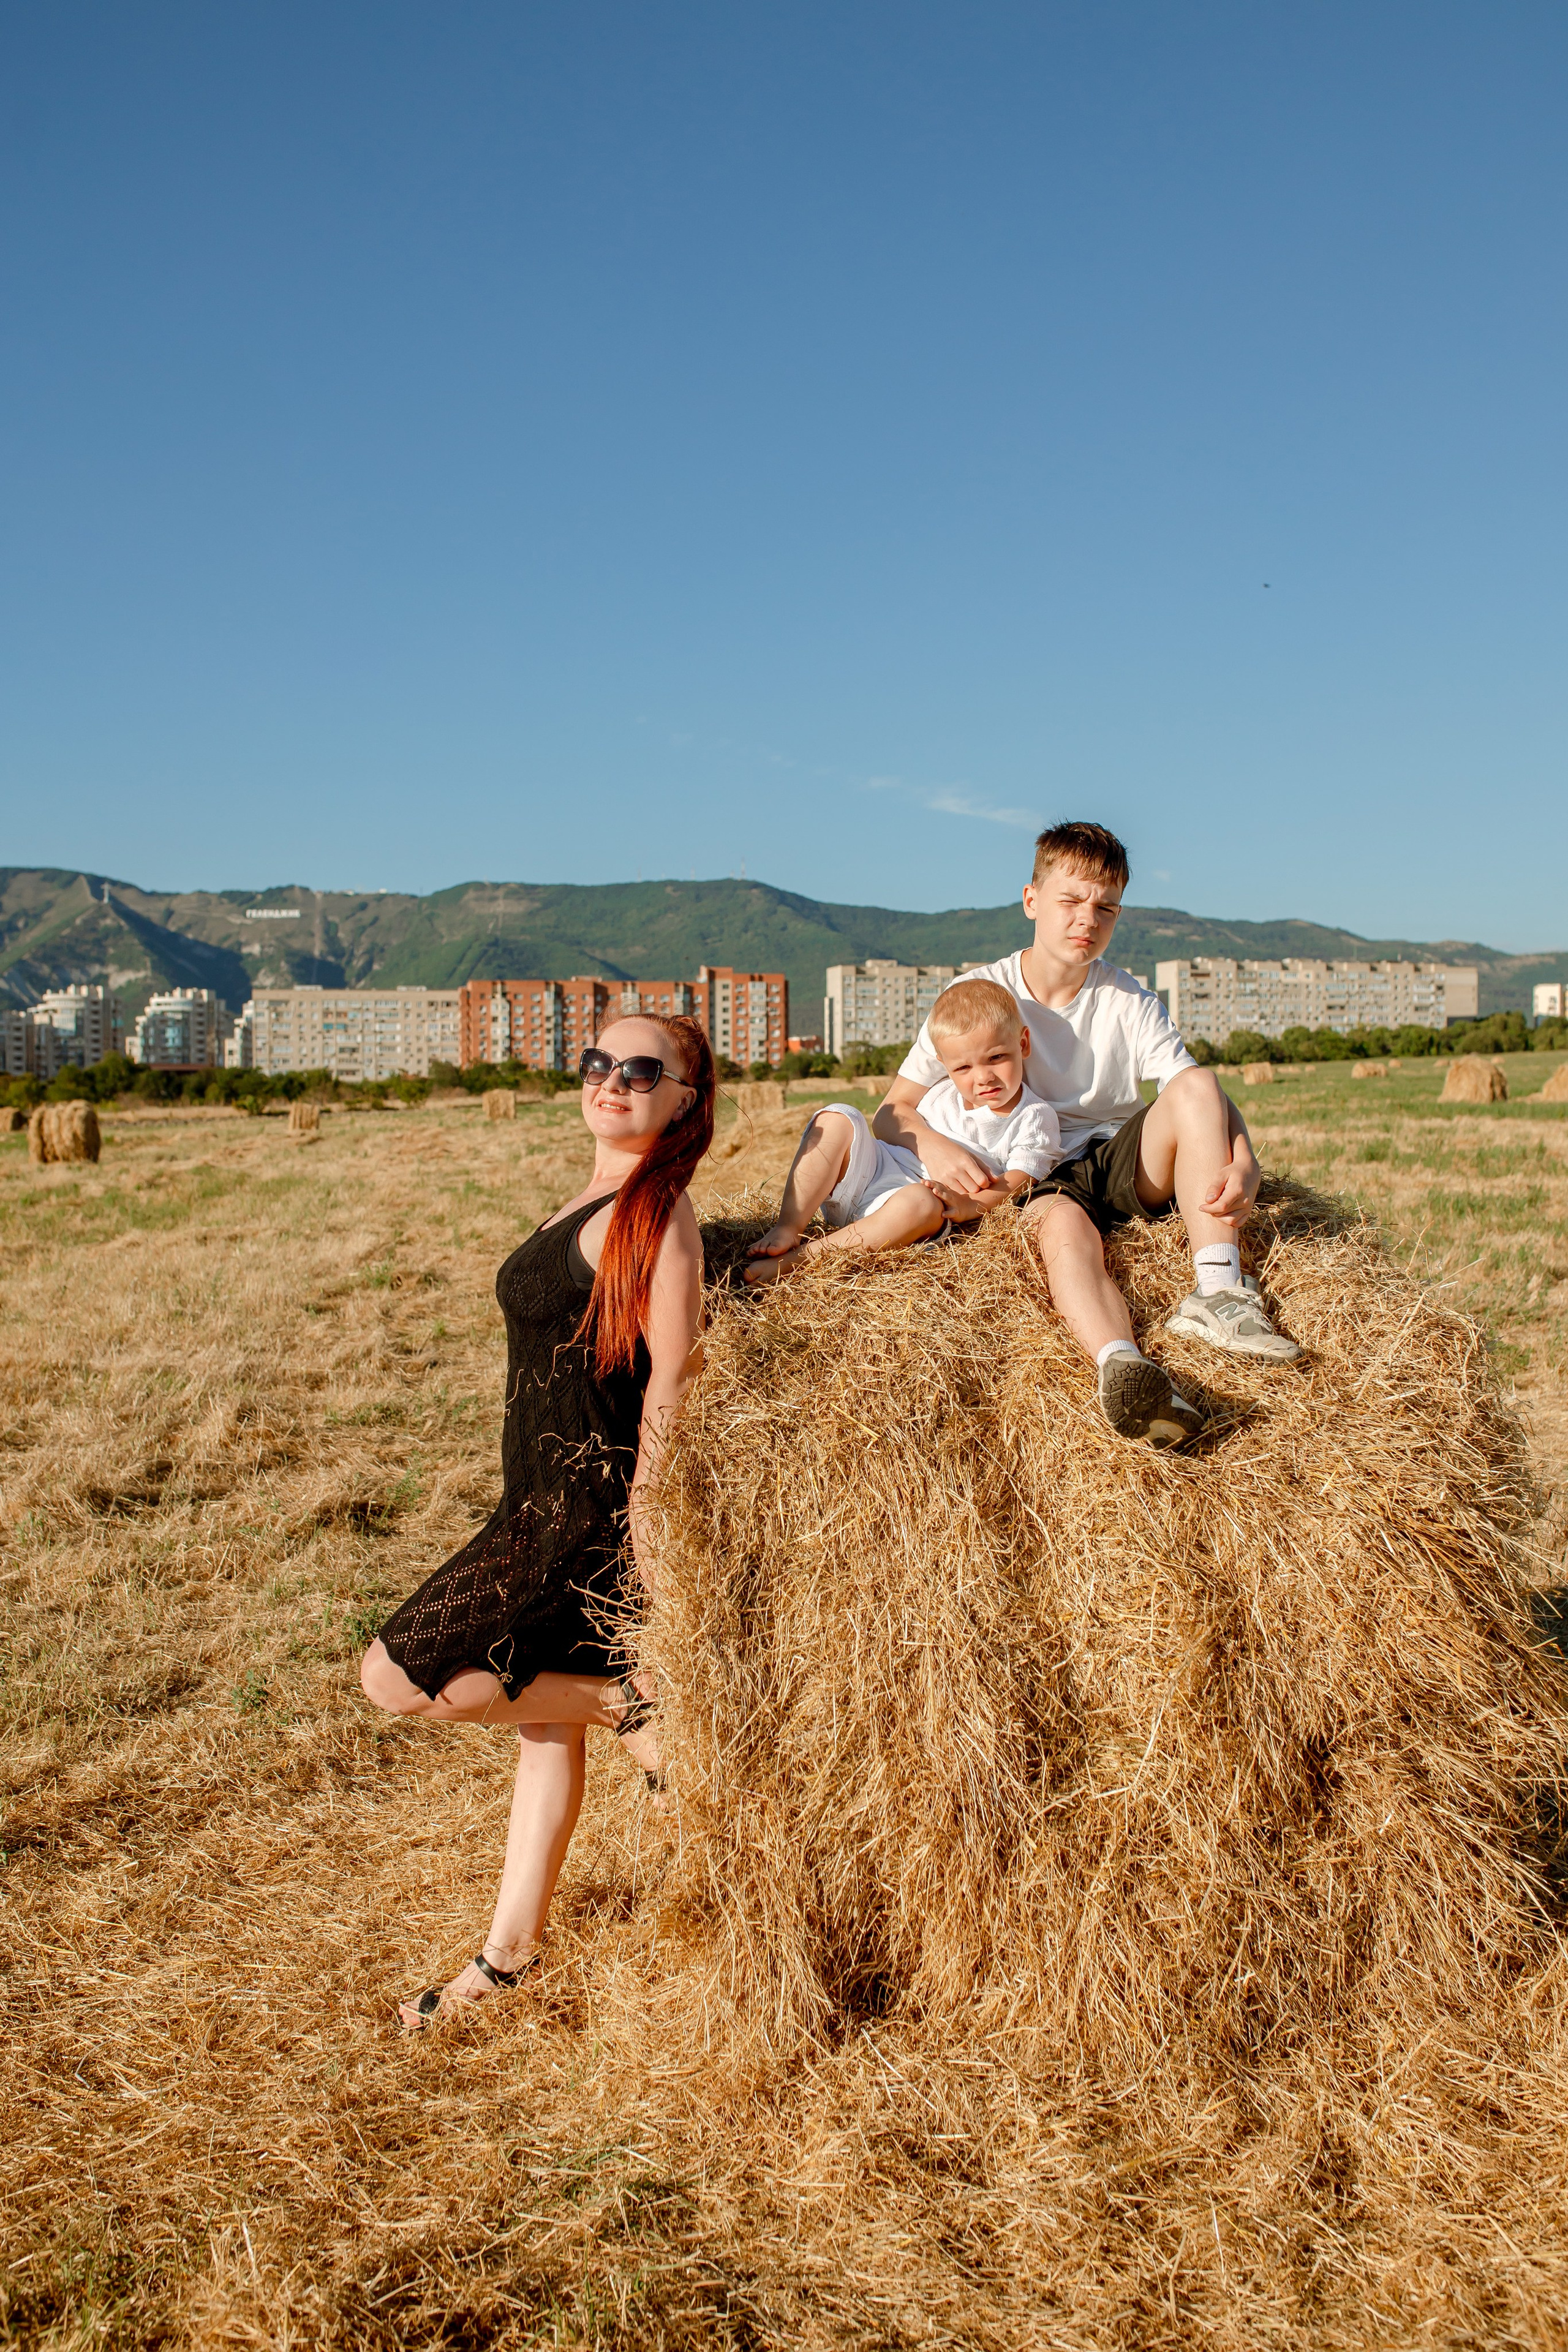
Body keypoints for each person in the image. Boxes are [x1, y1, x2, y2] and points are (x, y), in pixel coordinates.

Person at [360, 1015, 713, 2025]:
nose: (612, 1080)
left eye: (642, 1070)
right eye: (598, 1063)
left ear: (685, 1097)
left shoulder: (661, 1213)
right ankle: (507, 1958)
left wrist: (646, 1521)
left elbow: (672, 1387)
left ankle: (628, 1707)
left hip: (581, 1515)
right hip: (533, 1501)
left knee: (395, 1678)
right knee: (537, 1727)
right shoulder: (591, 1197)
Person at [876, 821, 1300, 1447]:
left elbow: (1197, 1093)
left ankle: (1217, 1291)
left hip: (1118, 1157)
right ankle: (1123, 1368)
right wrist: (936, 1148)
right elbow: (892, 1111)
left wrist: (1246, 1166)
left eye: (1105, 908)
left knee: (1196, 1082)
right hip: (1035, 1169)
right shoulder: (980, 996)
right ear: (1031, 901)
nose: (1087, 920)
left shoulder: (1127, 998)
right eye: (1070, 901)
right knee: (1065, 1233)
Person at [744, 976, 1060, 1283]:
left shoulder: (1033, 1116)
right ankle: (789, 1225)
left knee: (922, 1203)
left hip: (909, 1212)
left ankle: (804, 1259)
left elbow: (1019, 1180)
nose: (983, 1077)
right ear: (944, 1064)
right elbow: (892, 1123)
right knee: (837, 1117)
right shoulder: (939, 1092)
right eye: (963, 1067)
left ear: (1023, 1044)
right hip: (873, 1172)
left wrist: (969, 1206)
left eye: (997, 1057)